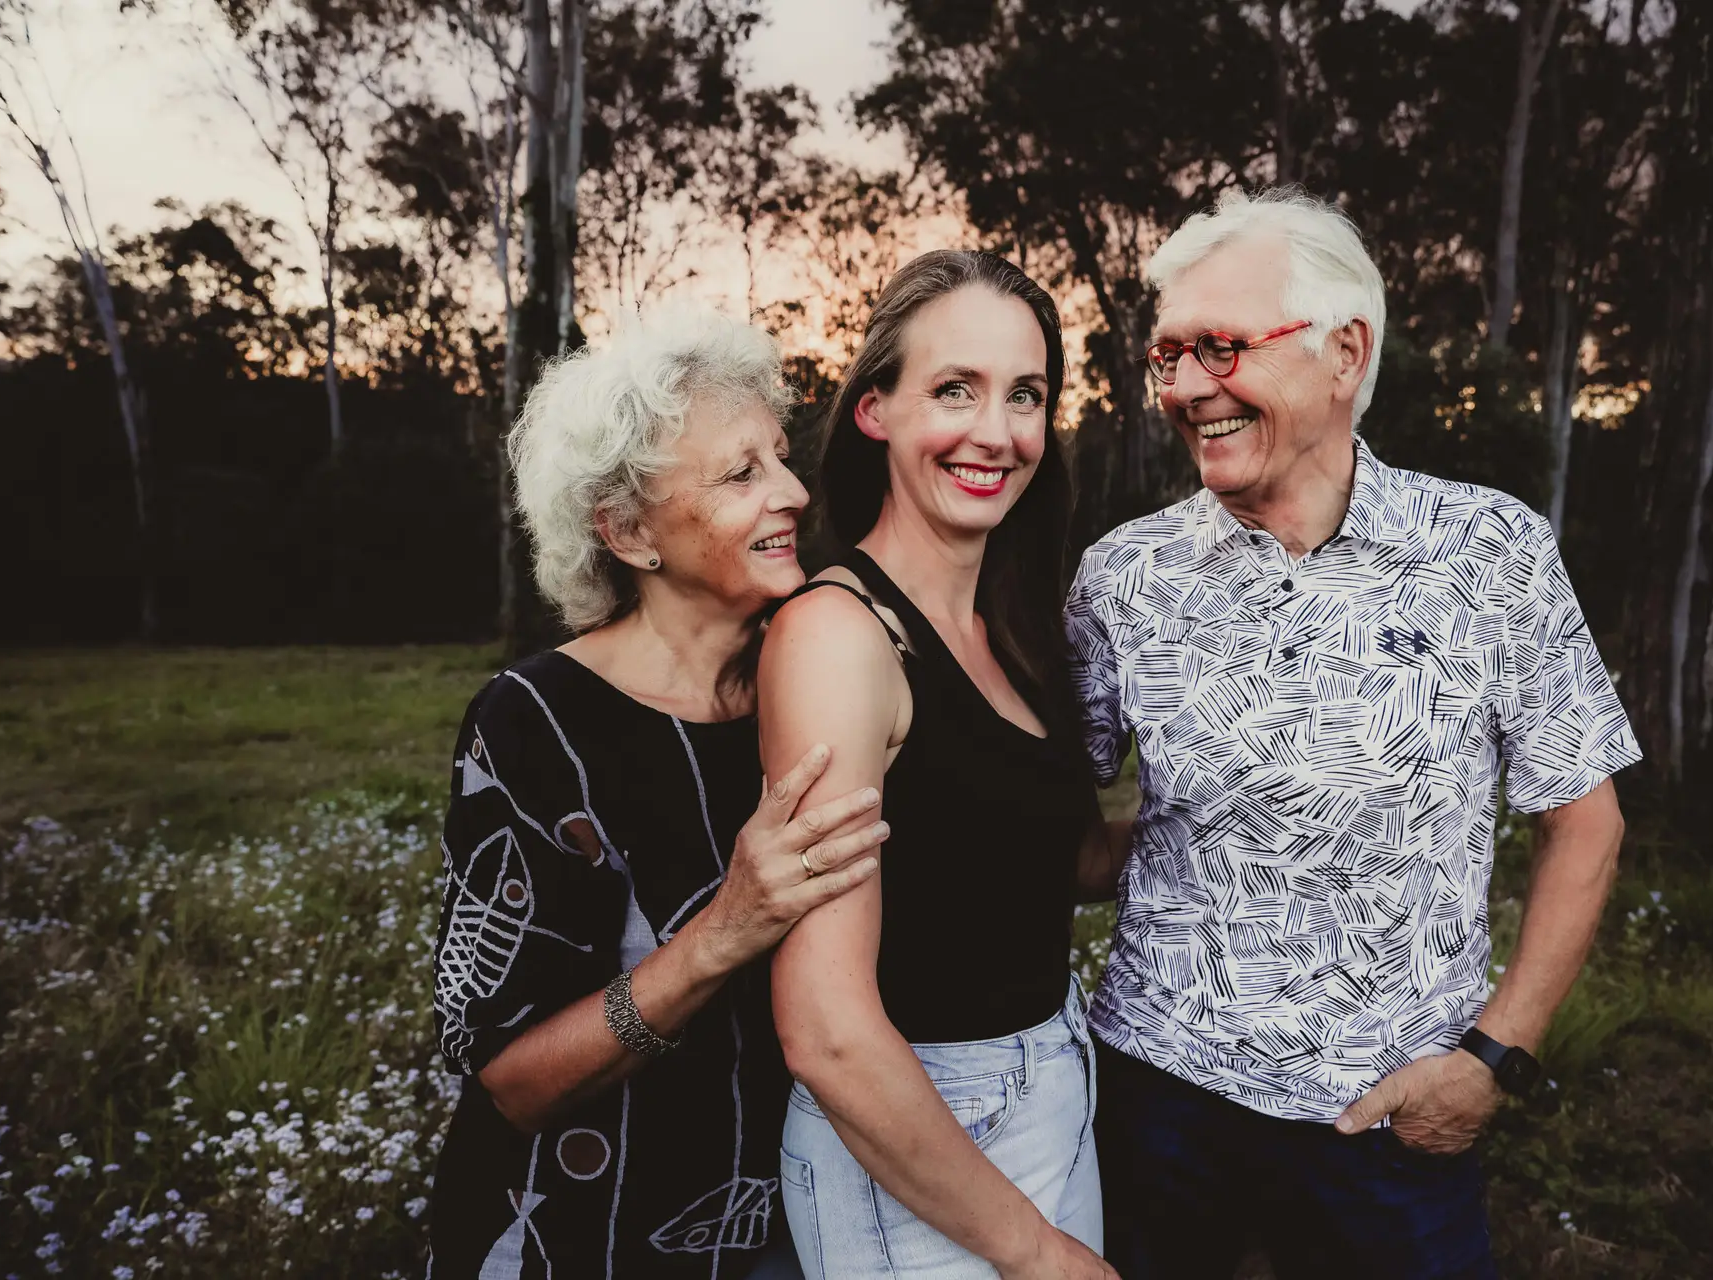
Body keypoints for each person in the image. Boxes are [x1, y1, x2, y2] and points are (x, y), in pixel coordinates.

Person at [1064, 188, 1643, 1280]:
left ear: (1344, 353)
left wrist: (1490, 1057)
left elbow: (1587, 818)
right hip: (1158, 1104)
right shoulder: (1124, 573)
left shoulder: (1488, 551)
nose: (1187, 387)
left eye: (1222, 347)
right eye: (1169, 355)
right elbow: (1050, 822)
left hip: (1388, 1119)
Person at [426, 306, 890, 1279]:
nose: (795, 492)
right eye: (741, 473)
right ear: (630, 531)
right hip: (580, 1239)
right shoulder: (533, 723)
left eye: (780, 457)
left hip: (789, 1230)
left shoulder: (808, 680)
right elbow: (509, 1079)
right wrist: (729, 927)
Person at [757, 251, 1125, 1279]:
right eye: (953, 389)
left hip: (1055, 1070)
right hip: (916, 1123)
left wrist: (1249, 814)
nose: (996, 432)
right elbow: (826, 1028)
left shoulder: (1008, 621)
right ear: (875, 409)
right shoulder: (841, 635)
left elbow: (1040, 862)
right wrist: (1037, 1252)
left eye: (1026, 395)